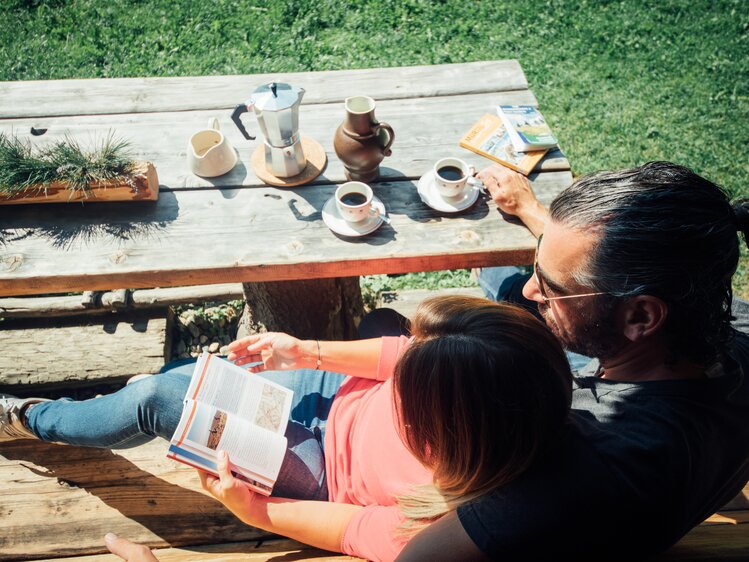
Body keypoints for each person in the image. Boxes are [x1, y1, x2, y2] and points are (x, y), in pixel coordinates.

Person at [0, 295, 573, 562]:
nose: (404, 368)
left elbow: (349, 529)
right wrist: (307, 352)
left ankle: (33, 417)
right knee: (199, 377)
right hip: (330, 396)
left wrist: (252, 512)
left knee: (155, 399)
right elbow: (397, 355)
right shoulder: (494, 382)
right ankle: (131, 398)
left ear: (446, 426)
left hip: (318, 468)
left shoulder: (440, 524)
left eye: (411, 385)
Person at [392, 161, 749, 560]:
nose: (532, 291)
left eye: (551, 287)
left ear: (641, 316)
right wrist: (530, 210)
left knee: (384, 321)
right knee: (504, 283)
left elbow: (417, 557)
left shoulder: (584, 467)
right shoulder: (722, 321)